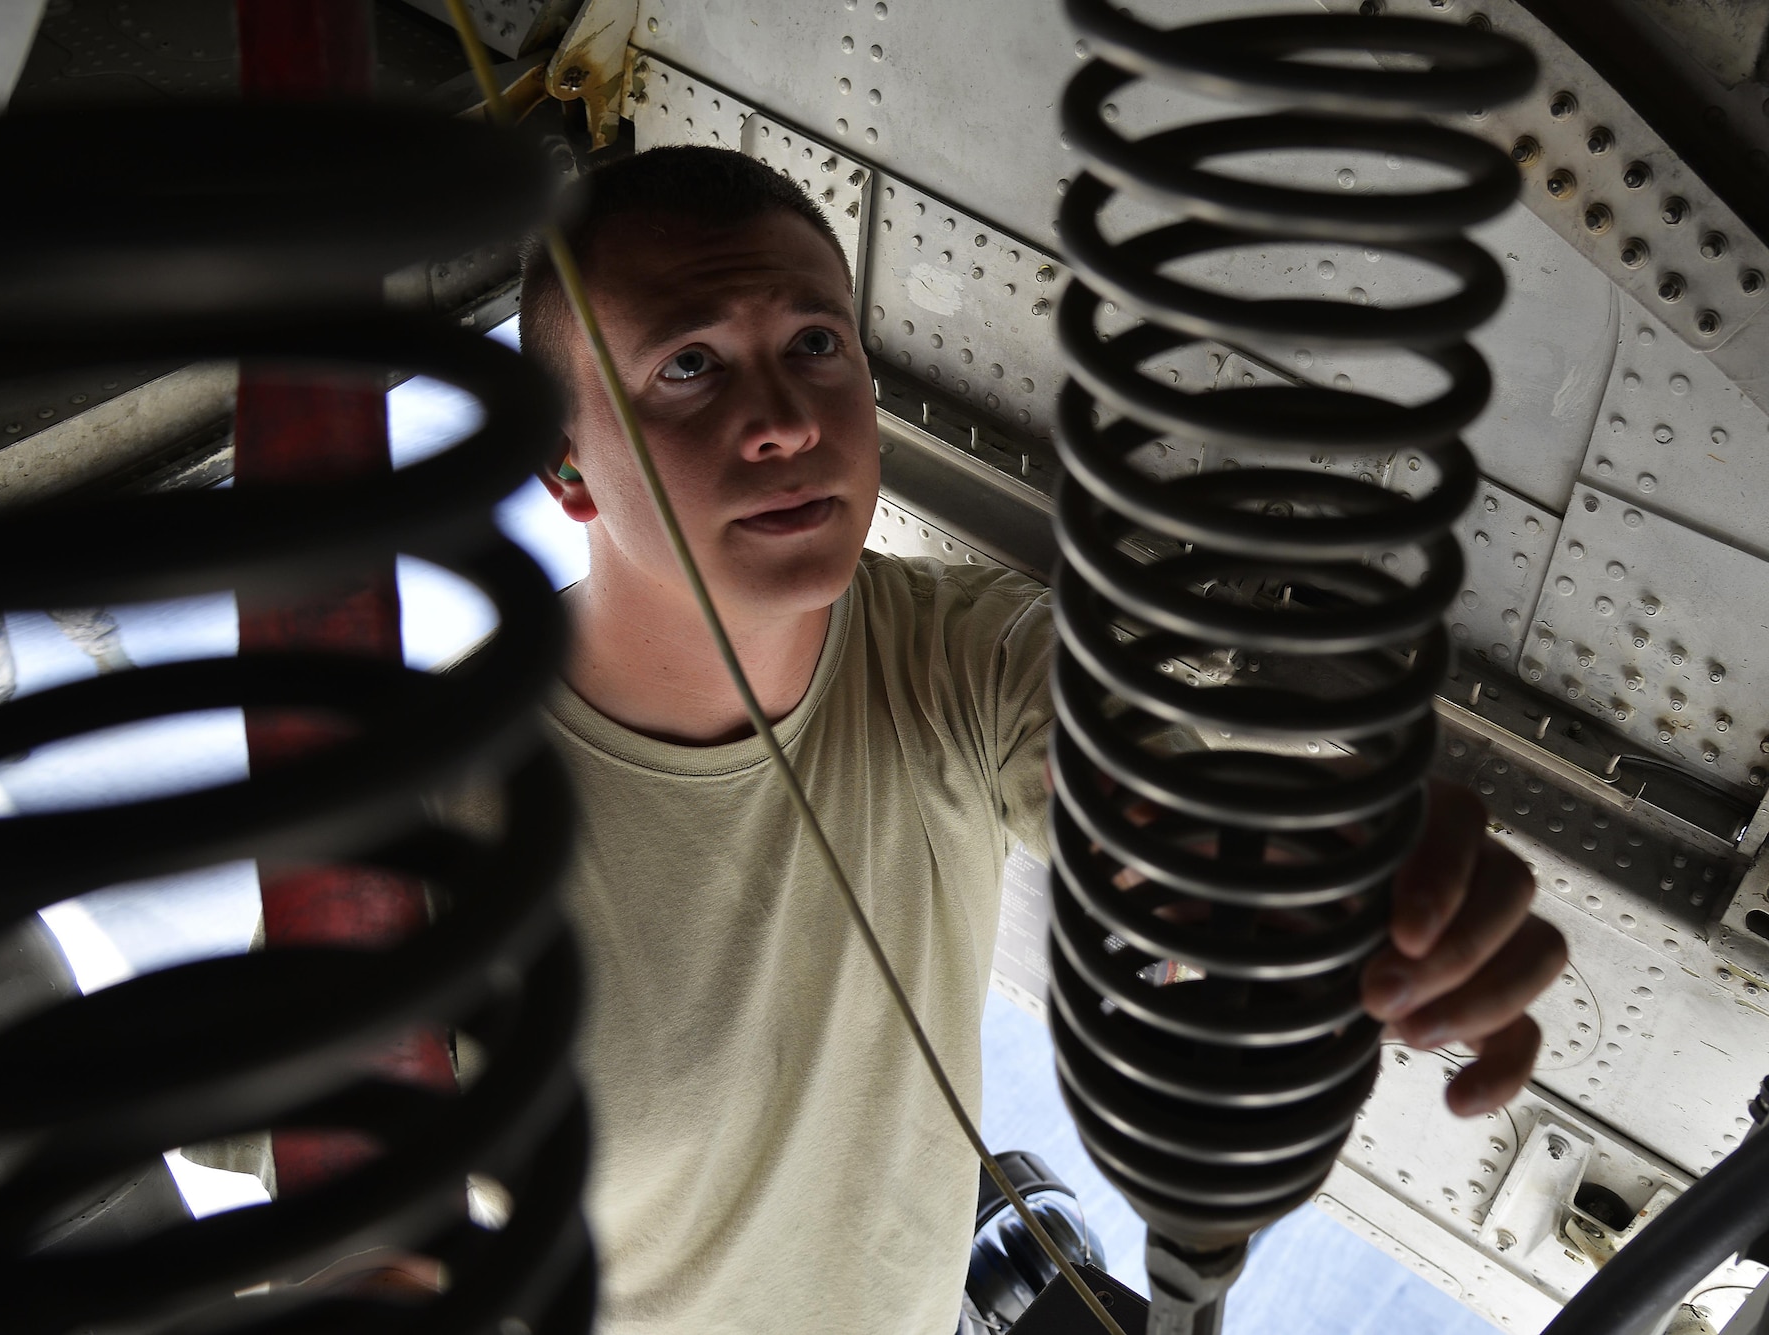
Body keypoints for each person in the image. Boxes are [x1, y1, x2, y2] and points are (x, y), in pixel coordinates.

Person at [520, 145, 1566, 1334]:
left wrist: (1323, 879)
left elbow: (1152, 804)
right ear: (563, 466)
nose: (781, 424)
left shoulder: (956, 653)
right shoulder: (434, 823)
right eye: (689, 366)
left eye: (815, 344)